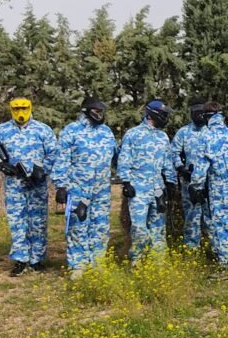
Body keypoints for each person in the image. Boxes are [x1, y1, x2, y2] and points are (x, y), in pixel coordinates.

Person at [0, 97, 59, 276]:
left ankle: (37, 260)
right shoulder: (1, 130)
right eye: (16, 108)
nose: (20, 112)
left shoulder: (43, 130)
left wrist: (42, 170)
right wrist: (0, 165)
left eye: (23, 108)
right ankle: (21, 259)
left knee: (38, 221)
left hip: (37, 184)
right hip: (14, 185)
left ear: (30, 107)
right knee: (17, 221)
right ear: (11, 109)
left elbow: (54, 154)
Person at [51, 97, 118, 278]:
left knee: (100, 226)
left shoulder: (106, 132)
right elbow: (62, 159)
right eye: (96, 111)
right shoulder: (71, 131)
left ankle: (98, 263)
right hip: (77, 188)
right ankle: (78, 265)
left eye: (102, 112)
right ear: (86, 111)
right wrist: (61, 186)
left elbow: (117, 157)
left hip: (102, 189)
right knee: (78, 226)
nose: (100, 115)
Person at [188, 102, 228, 275]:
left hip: (218, 184)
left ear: (207, 117)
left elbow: (200, 167)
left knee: (221, 223)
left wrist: (195, 186)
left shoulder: (206, 137)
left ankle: (227, 265)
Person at [118, 100, 176, 261]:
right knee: (138, 227)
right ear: (152, 114)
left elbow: (167, 162)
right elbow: (124, 159)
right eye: (164, 114)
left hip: (158, 187)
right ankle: (137, 260)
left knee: (158, 228)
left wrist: (170, 183)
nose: (166, 117)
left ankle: (158, 263)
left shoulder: (163, 137)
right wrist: (126, 182)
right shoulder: (133, 134)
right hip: (138, 188)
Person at [172, 99, 209, 250]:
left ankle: (214, 246)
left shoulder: (213, 132)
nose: (199, 116)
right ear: (191, 114)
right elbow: (173, 152)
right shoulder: (183, 132)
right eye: (196, 113)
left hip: (209, 181)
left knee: (210, 215)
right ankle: (192, 248)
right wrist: (181, 168)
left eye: (202, 113)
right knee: (191, 215)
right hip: (189, 181)